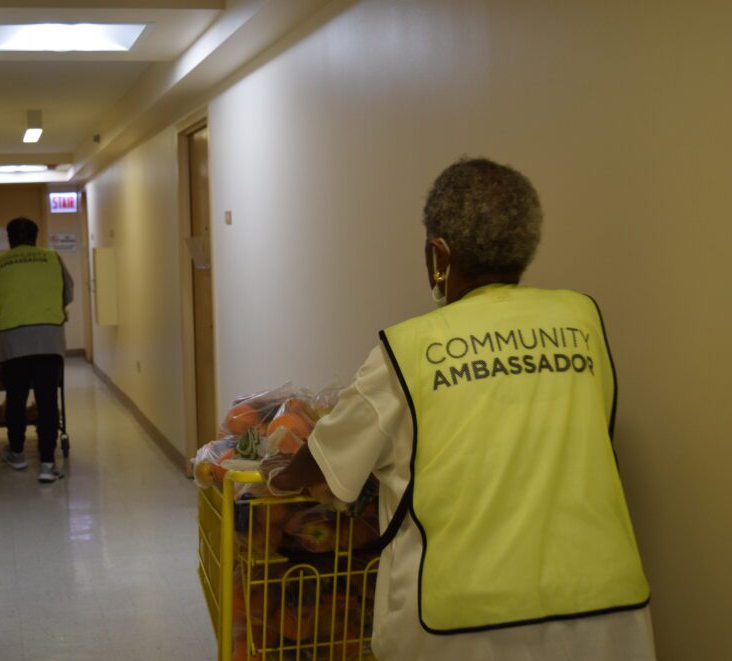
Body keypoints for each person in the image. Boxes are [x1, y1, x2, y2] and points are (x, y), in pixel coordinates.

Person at [268, 158, 656, 660]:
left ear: (438, 255)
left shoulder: (408, 350)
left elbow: (323, 462)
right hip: (605, 617)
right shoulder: (582, 321)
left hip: (465, 626)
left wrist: (279, 477)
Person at [0, 217, 73, 483]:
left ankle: (17, 454)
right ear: (35, 238)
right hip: (49, 341)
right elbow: (67, 295)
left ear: (9, 239)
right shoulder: (52, 258)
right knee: (47, 401)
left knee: (16, 398)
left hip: (14, 344)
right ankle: (47, 464)